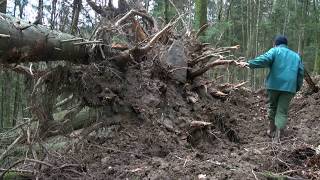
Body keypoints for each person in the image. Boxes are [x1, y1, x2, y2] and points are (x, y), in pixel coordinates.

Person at [239, 35, 304, 142]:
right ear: (286, 44)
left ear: (275, 43)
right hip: (289, 87)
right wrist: (297, 87)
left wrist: (249, 63)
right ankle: (279, 135)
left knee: (273, 107)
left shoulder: (274, 51)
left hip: (274, 86)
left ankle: (271, 130)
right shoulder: (296, 56)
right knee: (282, 111)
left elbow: (264, 59)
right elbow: (300, 73)